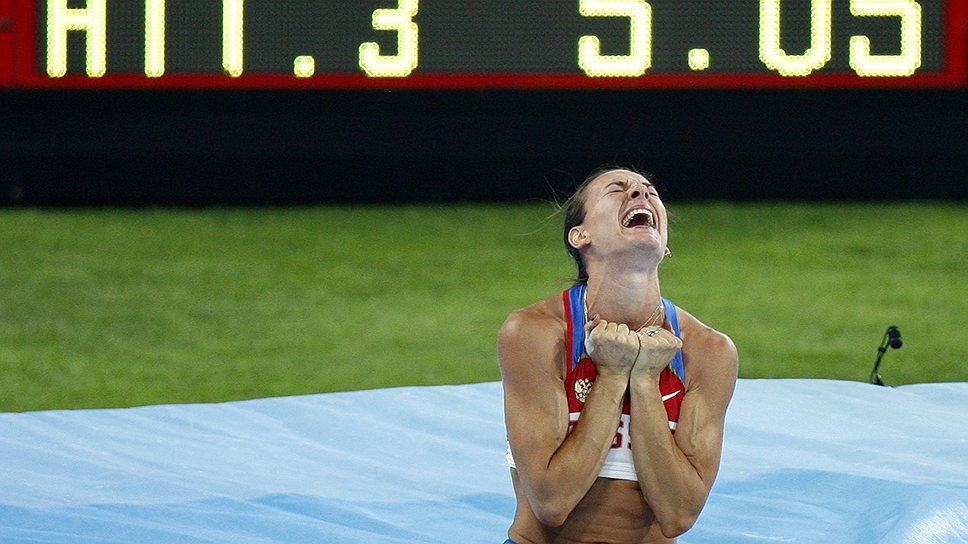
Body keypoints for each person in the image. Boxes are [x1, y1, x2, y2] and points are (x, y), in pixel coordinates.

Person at [499, 167, 738, 543]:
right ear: (581, 235)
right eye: (618, 189)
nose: (641, 195)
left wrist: (643, 379)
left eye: (649, 191)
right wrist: (612, 376)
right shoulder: (536, 334)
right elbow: (551, 502)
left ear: (665, 241)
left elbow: (679, 514)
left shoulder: (708, 351)